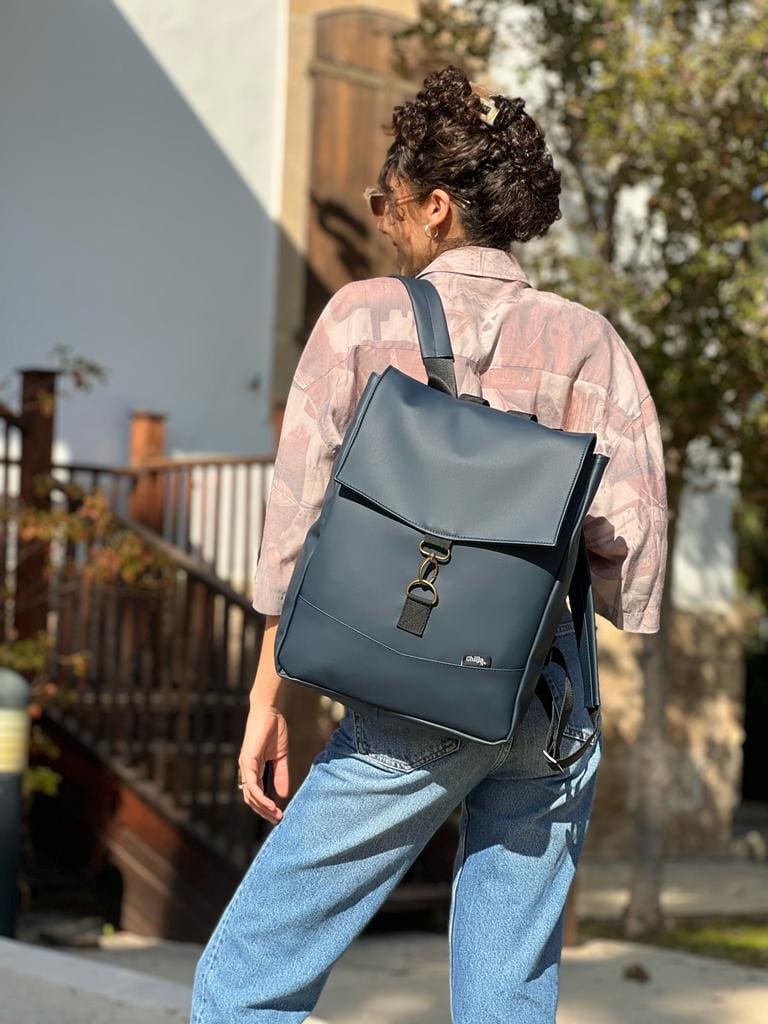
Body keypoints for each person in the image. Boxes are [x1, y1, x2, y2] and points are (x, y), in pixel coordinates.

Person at [190, 66, 667, 1024]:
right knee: (505, 1004)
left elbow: (294, 525)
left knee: (246, 984)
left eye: (389, 201)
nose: (383, 220)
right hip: (548, 700)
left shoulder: (363, 317)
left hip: (407, 698)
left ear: (436, 206)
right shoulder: (590, 343)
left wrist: (268, 698)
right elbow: (634, 572)